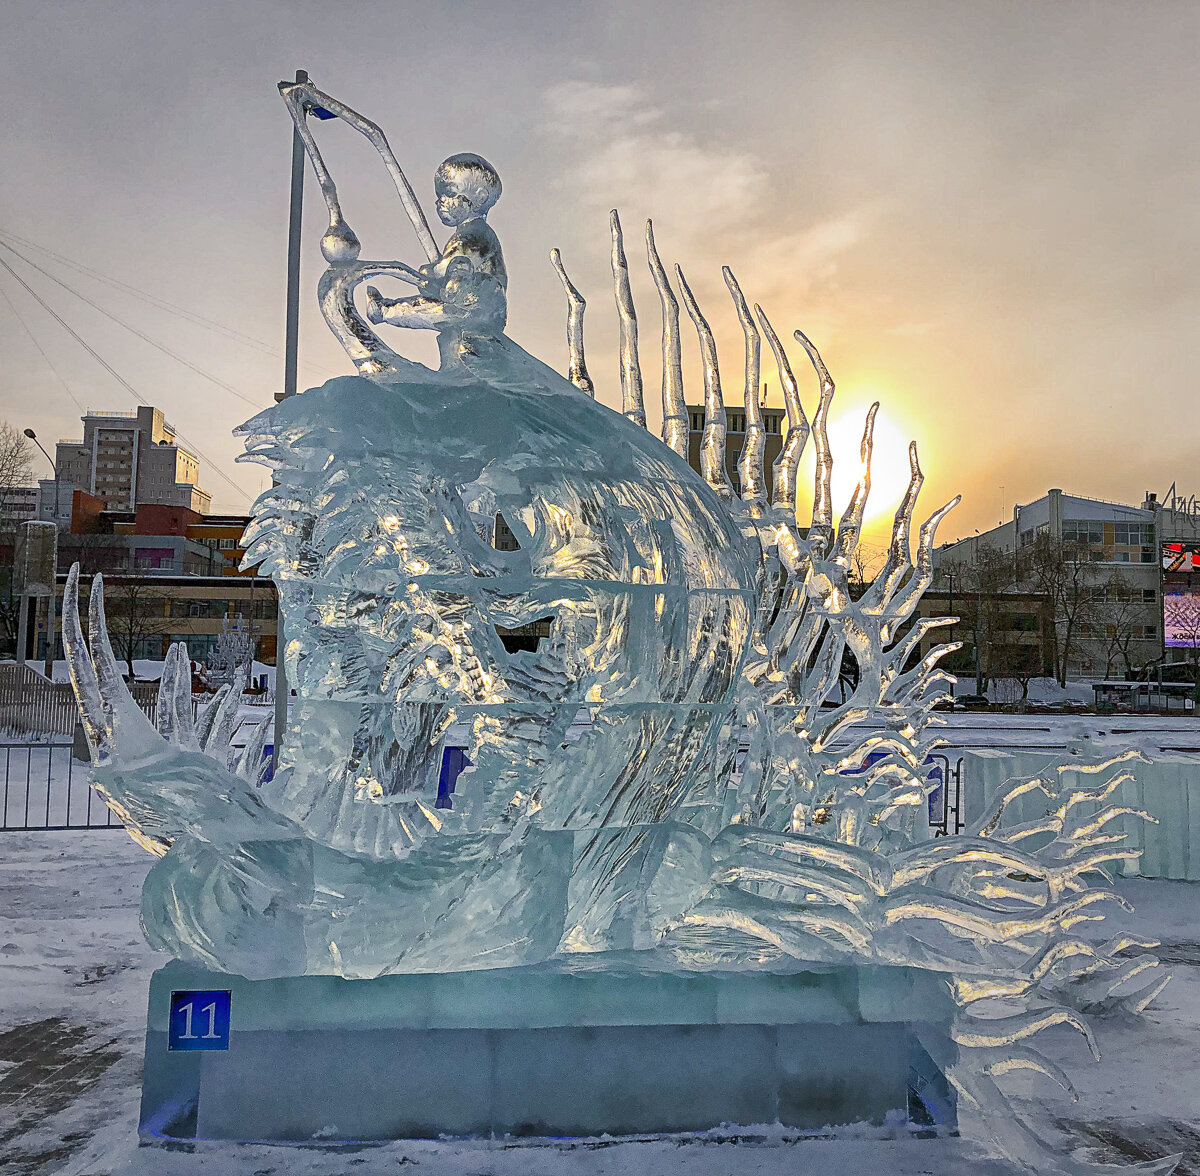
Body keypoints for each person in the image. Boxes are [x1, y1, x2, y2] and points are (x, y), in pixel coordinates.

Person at [366, 153, 508, 353]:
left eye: (449, 193)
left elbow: (451, 265)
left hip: (478, 308)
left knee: (434, 310)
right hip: (464, 303)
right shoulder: (466, 232)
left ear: (480, 197)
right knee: (434, 309)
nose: (440, 201)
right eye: (438, 195)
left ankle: (384, 310)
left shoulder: (475, 234)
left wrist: (431, 272)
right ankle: (384, 310)